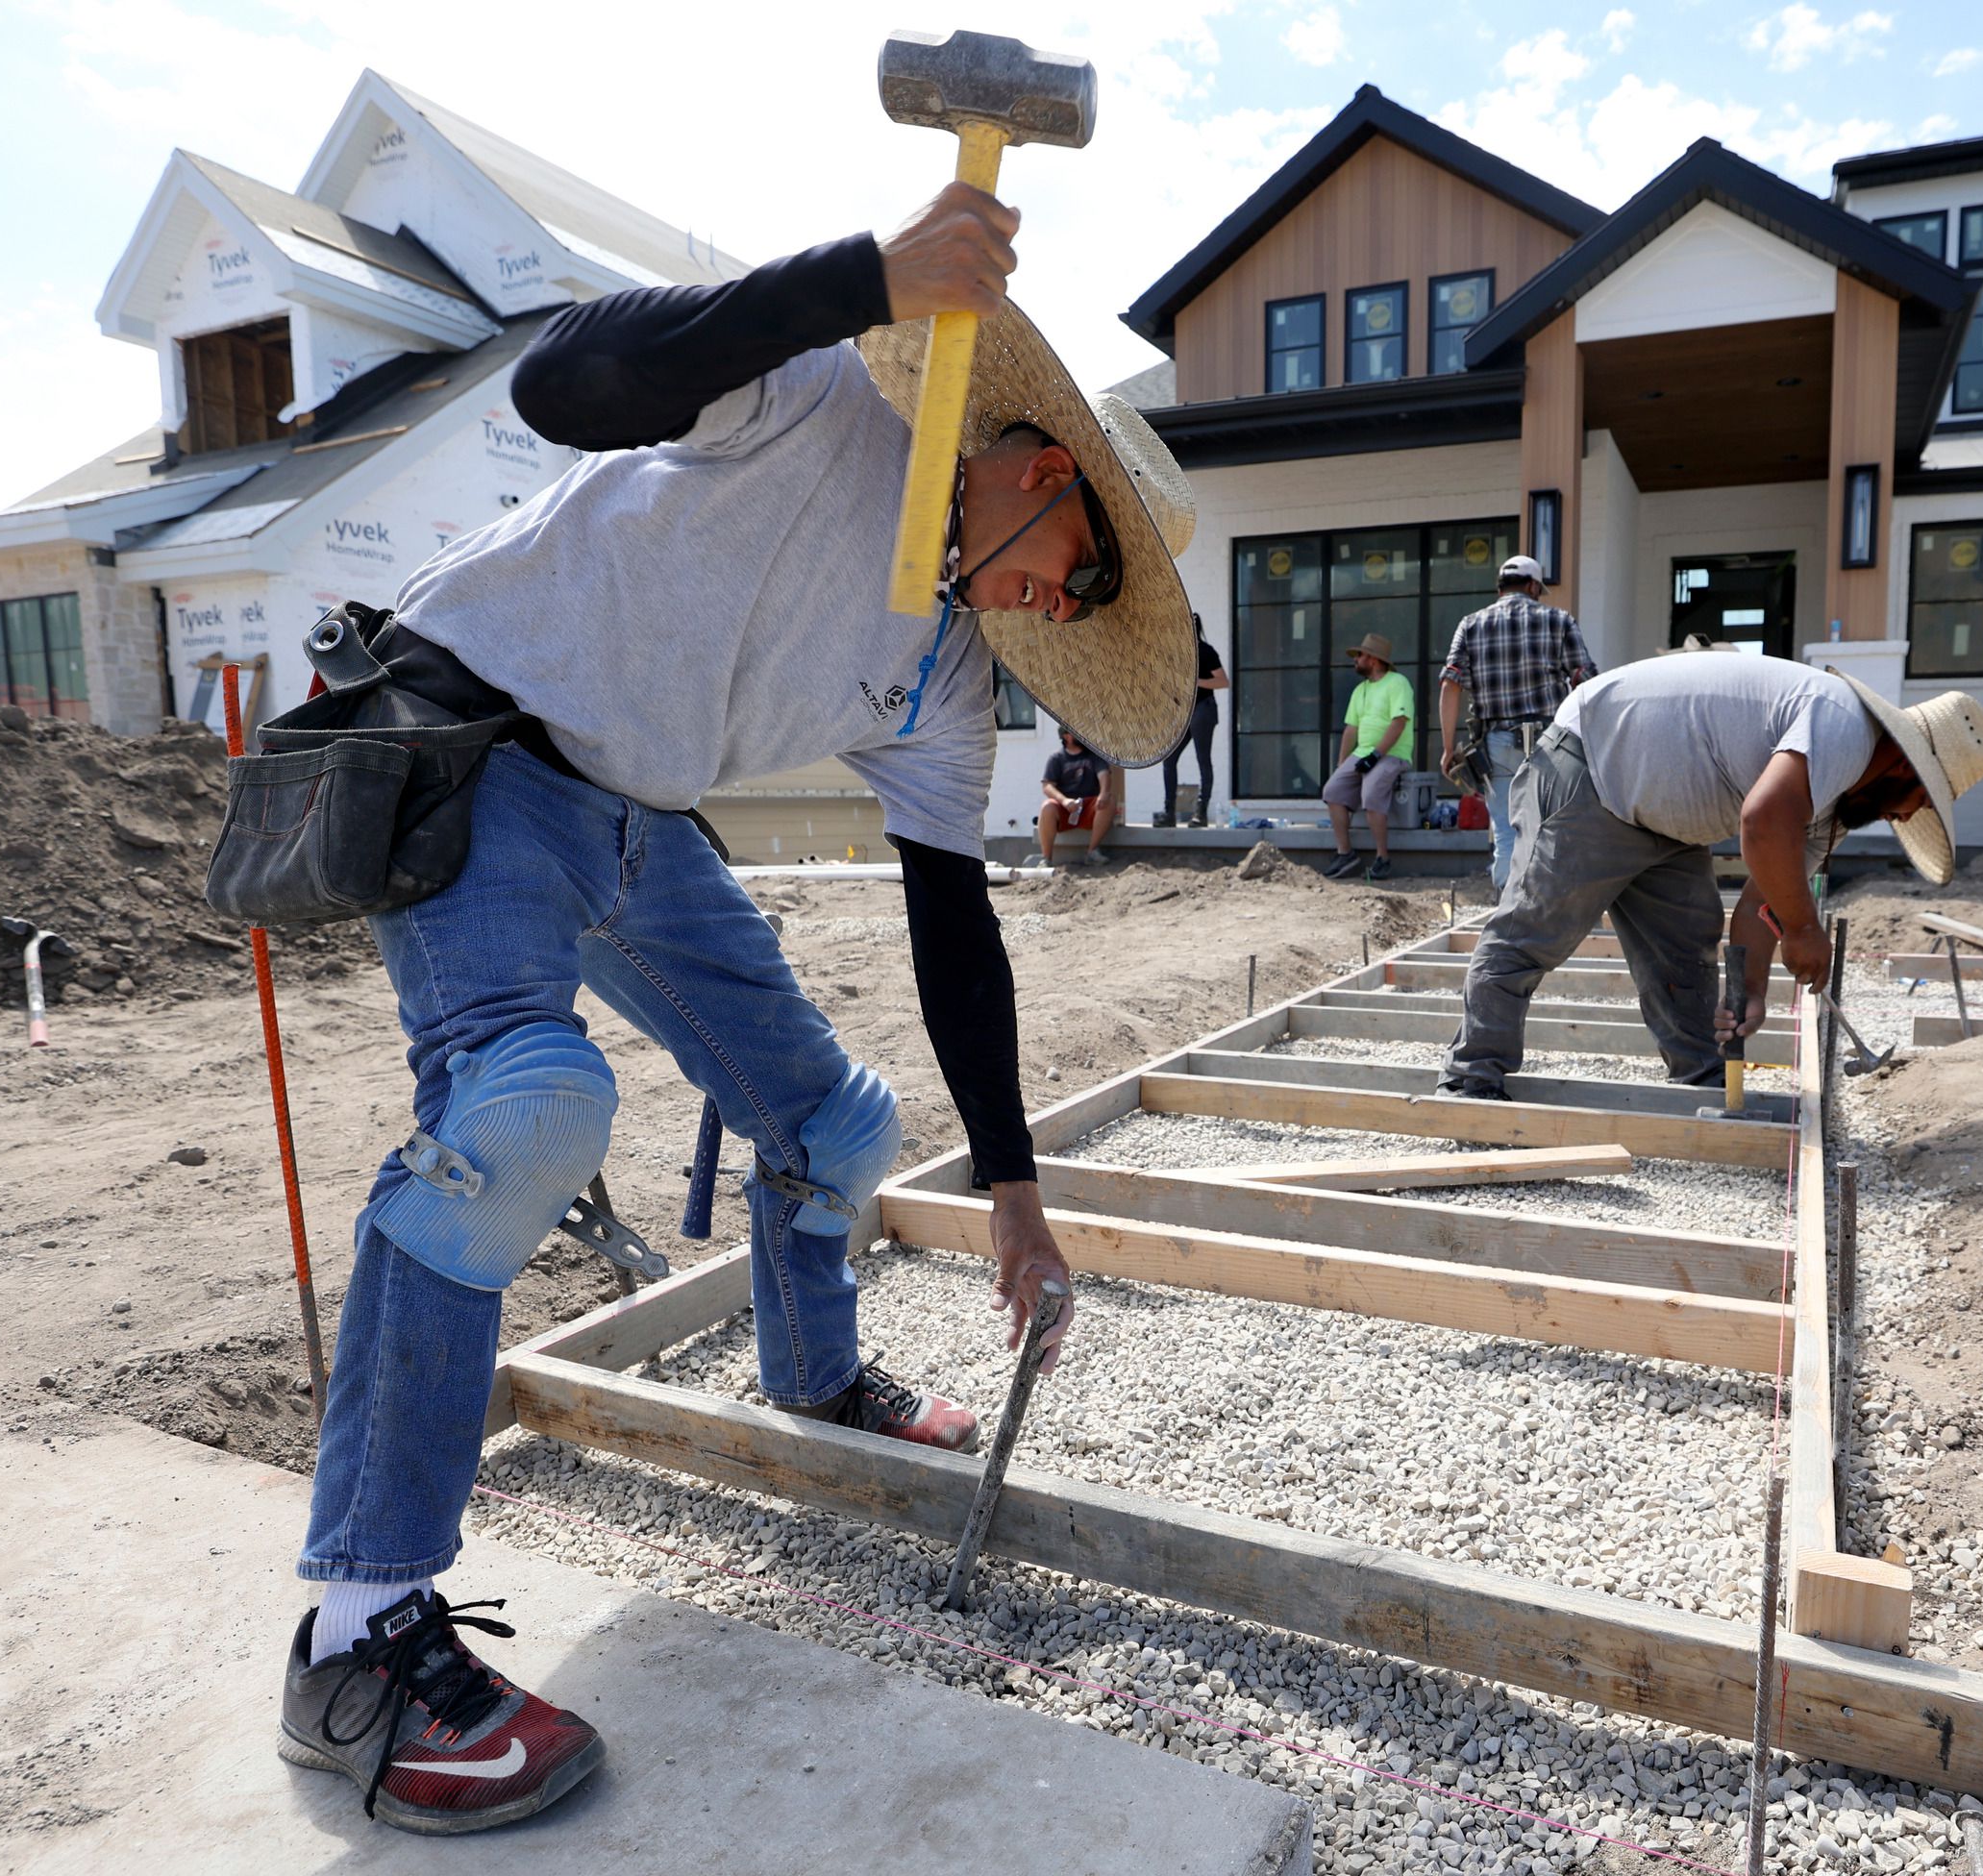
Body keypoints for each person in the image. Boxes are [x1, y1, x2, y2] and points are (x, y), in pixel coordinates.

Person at [272, 178, 1202, 1834]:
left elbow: (951, 925)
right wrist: (860, 275)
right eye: (1075, 580)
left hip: (636, 816)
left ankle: (813, 1374)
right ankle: (356, 1639)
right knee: (524, 1112)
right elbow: (564, 384)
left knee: (839, 1122)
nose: (1055, 619)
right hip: (475, 750)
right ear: (1041, 471)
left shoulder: (948, 669)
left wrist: (1014, 1192)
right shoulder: (822, 398)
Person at [1437, 657, 1983, 1099]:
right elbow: (1761, 823)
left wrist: (1752, 990)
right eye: (1918, 801)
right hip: (1595, 768)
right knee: (1531, 936)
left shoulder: (1837, 803)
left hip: (1667, 817)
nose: (1904, 817)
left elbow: (1765, 900)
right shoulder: (1843, 728)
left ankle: (1702, 1086)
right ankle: (1470, 1080)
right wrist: (1805, 930)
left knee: (1685, 955)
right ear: (1904, 765)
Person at [1438, 555, 1594, 894]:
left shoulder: (1471, 624)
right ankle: (1549, 915)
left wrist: (1449, 748)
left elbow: (1450, 684)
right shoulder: (1559, 620)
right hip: (1550, 744)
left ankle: (1509, 920)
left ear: (1500, 586)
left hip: (1495, 743)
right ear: (1533, 586)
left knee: (1508, 833)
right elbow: (1586, 683)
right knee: (1553, 830)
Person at [1321, 629, 1413, 880]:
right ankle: (1346, 854)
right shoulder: (1360, 690)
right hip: (1363, 754)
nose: (1355, 660)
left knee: (1371, 793)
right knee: (1332, 791)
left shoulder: (1397, 683)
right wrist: (1342, 764)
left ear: (1373, 659)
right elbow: (1351, 729)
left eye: (1359, 655)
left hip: (1393, 754)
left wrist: (1376, 755)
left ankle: (1383, 858)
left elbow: (1399, 722)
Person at [1155, 615, 1227, 826]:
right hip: (1185, 712)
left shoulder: (1205, 651)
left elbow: (1223, 681)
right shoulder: (1178, 654)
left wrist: (1195, 681)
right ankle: (1169, 812)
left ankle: (1201, 812)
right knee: (1169, 759)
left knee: (1202, 759)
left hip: (1203, 709)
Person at [1040, 725, 1119, 864]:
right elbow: (1047, 786)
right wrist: (1064, 801)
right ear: (1066, 736)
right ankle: (1046, 859)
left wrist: (1103, 793)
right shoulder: (1056, 758)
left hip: (1090, 807)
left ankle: (1092, 852)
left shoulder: (1095, 755)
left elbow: (1104, 774)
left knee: (1109, 800)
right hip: (1066, 808)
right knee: (1047, 807)